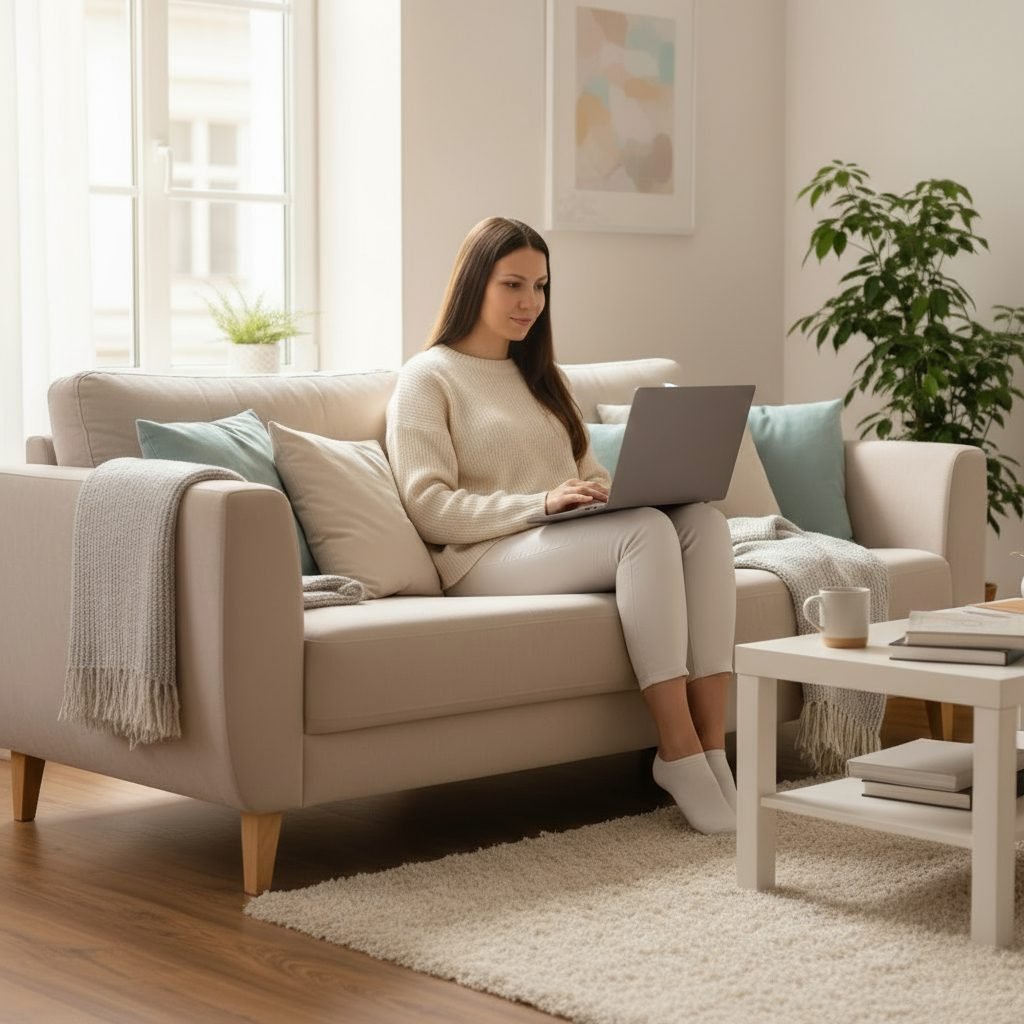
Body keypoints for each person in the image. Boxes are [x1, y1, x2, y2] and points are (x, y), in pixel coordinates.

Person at [385, 217, 737, 834]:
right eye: (513, 285)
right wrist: (540, 504)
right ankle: (676, 750)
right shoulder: (428, 376)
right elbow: (429, 506)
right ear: (475, 283)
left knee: (702, 523)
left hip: (554, 540)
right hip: (480, 558)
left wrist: (607, 493)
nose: (530, 303)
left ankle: (712, 746)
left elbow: (586, 471)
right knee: (645, 533)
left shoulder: (547, 377)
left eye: (541, 287)